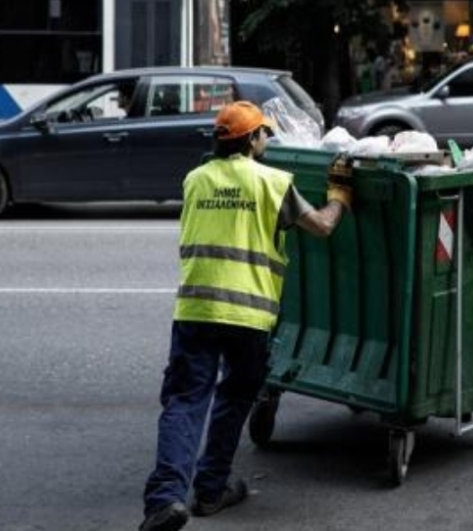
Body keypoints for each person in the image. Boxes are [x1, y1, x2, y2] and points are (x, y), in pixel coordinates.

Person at [140, 101, 351, 531]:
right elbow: (323, 226)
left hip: (197, 309)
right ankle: (212, 489)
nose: (268, 139)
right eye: (265, 134)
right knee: (234, 397)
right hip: (249, 317)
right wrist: (340, 197)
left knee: (184, 402)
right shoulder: (272, 183)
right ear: (252, 140)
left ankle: (165, 500)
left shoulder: (195, 180)